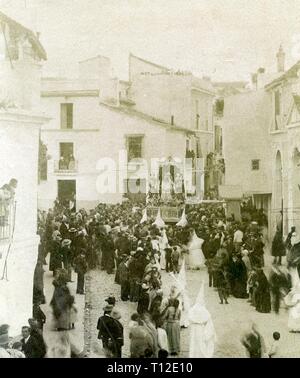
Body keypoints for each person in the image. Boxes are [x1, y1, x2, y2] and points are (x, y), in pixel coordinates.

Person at [188, 283, 216, 358]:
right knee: (201, 344)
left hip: (194, 328)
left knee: (194, 344)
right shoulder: (204, 310)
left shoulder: (193, 309)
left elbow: (189, 317)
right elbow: (209, 322)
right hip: (201, 328)